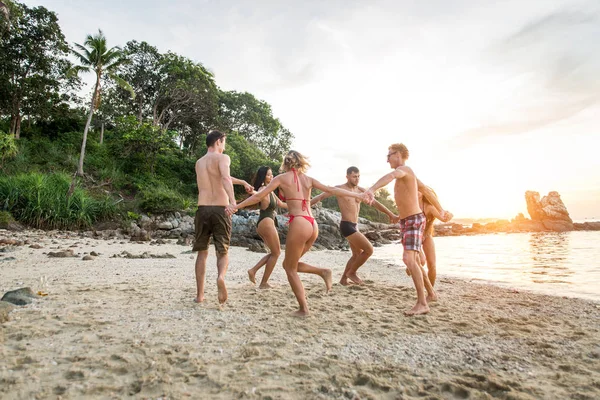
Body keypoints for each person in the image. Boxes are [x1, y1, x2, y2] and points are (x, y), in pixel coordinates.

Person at [227, 150, 367, 317]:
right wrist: (359, 194)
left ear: (286, 163)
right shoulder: (308, 179)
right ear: (301, 162)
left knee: (290, 268)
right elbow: (333, 190)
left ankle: (304, 309)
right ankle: (323, 272)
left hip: (300, 223)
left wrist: (236, 206)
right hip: (312, 224)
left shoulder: (281, 178)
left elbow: (259, 197)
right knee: (290, 264)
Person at [364, 143, 449, 316]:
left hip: (413, 220)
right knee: (413, 261)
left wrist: (372, 189)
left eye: (389, 155)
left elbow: (391, 175)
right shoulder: (410, 176)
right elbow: (425, 190)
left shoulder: (404, 169)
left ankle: (422, 303)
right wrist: (441, 209)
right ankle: (431, 294)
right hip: (407, 221)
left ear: (399, 154)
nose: (387, 159)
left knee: (409, 259)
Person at [311, 166, 398, 285]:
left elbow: (376, 203)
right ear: (347, 177)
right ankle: (352, 272)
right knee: (368, 250)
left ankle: (343, 279)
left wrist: (391, 214)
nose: (357, 179)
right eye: (354, 176)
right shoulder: (340, 189)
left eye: (358, 176)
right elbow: (320, 196)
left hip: (355, 226)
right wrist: (304, 206)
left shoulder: (361, 191)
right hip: (346, 226)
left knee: (357, 254)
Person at [193, 130, 252, 305]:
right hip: (220, 209)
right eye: (224, 141)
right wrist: (233, 202)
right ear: (218, 141)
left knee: (202, 253)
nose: (224, 145)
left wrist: (242, 182)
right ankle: (220, 277)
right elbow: (224, 177)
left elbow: (220, 177)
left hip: (202, 208)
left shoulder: (199, 162)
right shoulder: (223, 158)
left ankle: (200, 296)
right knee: (223, 251)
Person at [243, 166, 287, 289]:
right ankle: (263, 282)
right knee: (277, 253)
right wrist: (252, 192)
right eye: (268, 175)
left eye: (272, 174)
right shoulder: (263, 189)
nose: (271, 176)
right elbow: (257, 194)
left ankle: (253, 271)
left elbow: (282, 204)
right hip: (266, 221)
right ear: (263, 177)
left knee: (275, 252)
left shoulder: (271, 190)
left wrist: (299, 204)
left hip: (266, 222)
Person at [417, 190, 453, 286]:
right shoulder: (410, 205)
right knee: (421, 261)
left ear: (424, 194)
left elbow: (443, 218)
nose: (416, 191)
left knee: (432, 266)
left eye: (419, 190)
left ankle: (430, 291)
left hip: (427, 236)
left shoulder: (429, 207)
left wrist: (448, 215)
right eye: (414, 189)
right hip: (414, 237)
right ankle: (411, 264)